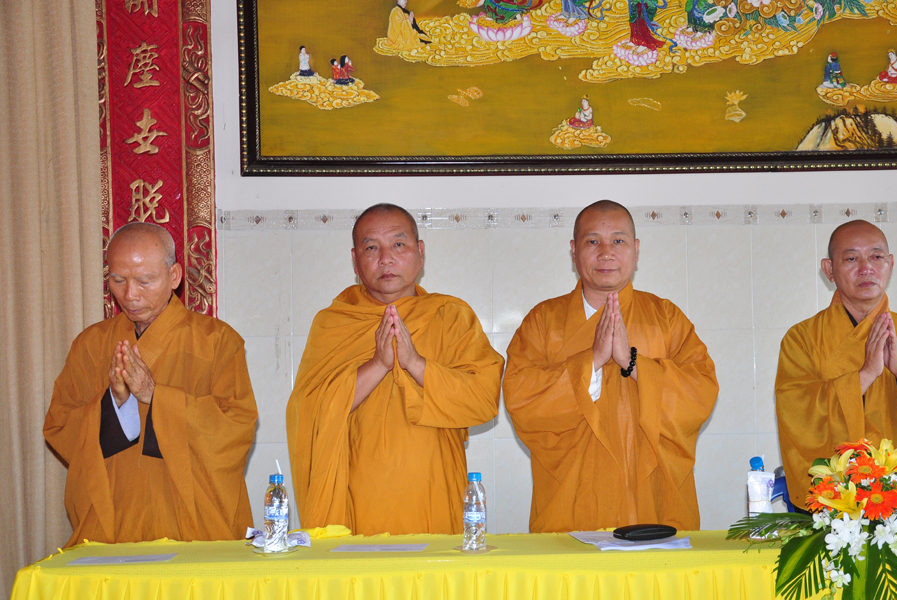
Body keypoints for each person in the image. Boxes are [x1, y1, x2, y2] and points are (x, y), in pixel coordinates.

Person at [287, 204, 503, 535]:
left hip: (432, 494)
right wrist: (379, 364)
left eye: (398, 244)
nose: (385, 259)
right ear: (355, 260)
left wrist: (414, 363)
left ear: (421, 252)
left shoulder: (450, 316)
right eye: (371, 248)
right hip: (357, 502)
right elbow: (310, 412)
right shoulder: (334, 323)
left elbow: (482, 401)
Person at [503, 200, 718, 533]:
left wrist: (633, 364)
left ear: (636, 249)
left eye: (618, 240)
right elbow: (521, 399)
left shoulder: (665, 318)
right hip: (570, 506)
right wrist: (591, 361)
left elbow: (700, 391)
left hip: (654, 504)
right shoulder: (543, 322)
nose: (606, 252)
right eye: (593, 241)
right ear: (574, 251)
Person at [43, 223, 257, 547]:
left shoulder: (218, 341)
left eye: (144, 281)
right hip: (113, 527)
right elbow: (60, 426)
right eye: (118, 280)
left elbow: (236, 428)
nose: (130, 294)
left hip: (195, 529)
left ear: (174, 276)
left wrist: (156, 396)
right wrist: (115, 404)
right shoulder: (90, 345)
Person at [775, 220, 897, 509]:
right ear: (829, 269)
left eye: (876, 257)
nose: (866, 268)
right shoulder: (802, 339)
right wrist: (865, 375)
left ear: (890, 264)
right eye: (851, 258)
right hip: (836, 501)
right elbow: (797, 414)